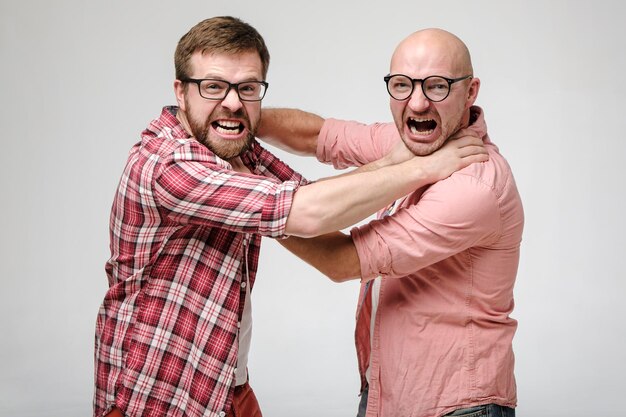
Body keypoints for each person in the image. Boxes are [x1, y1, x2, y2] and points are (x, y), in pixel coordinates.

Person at [93, 18, 489, 417]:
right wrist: (423, 169)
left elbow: (313, 198)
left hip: (222, 386)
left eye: (247, 88)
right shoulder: (167, 165)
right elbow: (308, 212)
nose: (232, 102)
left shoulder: (234, 150)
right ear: (181, 91)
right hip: (154, 395)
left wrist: (392, 160)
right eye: (213, 86)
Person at [258, 28, 524, 417]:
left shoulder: (474, 185)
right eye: (402, 85)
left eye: (437, 86)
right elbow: (318, 135)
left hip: (457, 408)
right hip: (389, 395)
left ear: (470, 92)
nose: (416, 103)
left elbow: (343, 259)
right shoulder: (416, 147)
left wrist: (248, 199)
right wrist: (236, 117)